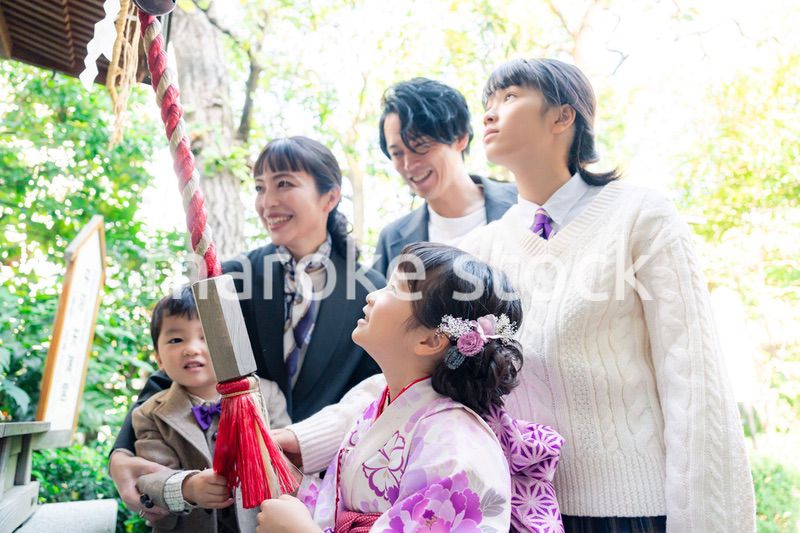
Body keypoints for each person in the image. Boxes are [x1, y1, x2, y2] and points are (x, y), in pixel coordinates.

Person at [461, 57, 755, 532]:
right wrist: (304, 441)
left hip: (632, 512)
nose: (490, 114)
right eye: (488, 104)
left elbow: (694, 381)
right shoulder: (481, 249)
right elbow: (415, 366)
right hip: (524, 515)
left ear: (563, 116)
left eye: (510, 97)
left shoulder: (641, 216)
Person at [110, 136, 385, 519]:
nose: (267, 201)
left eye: (284, 183)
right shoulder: (234, 277)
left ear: (330, 197)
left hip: (329, 490)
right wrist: (121, 451)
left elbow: (382, 388)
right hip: (241, 492)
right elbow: (183, 357)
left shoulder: (370, 288)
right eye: (259, 188)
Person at [258, 243, 565, 532]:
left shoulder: (455, 447)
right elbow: (342, 503)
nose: (372, 296)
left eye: (394, 289)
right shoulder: (388, 403)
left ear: (430, 340)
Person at [132, 285, 291, 532]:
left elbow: (288, 459)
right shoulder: (150, 414)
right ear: (159, 358)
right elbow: (149, 476)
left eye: (206, 337)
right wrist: (187, 487)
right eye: (176, 339)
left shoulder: (266, 395)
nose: (192, 348)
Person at [372, 78, 516, 277]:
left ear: (460, 137)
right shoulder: (391, 239)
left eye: (420, 146)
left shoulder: (523, 204)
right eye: (397, 153)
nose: (408, 165)